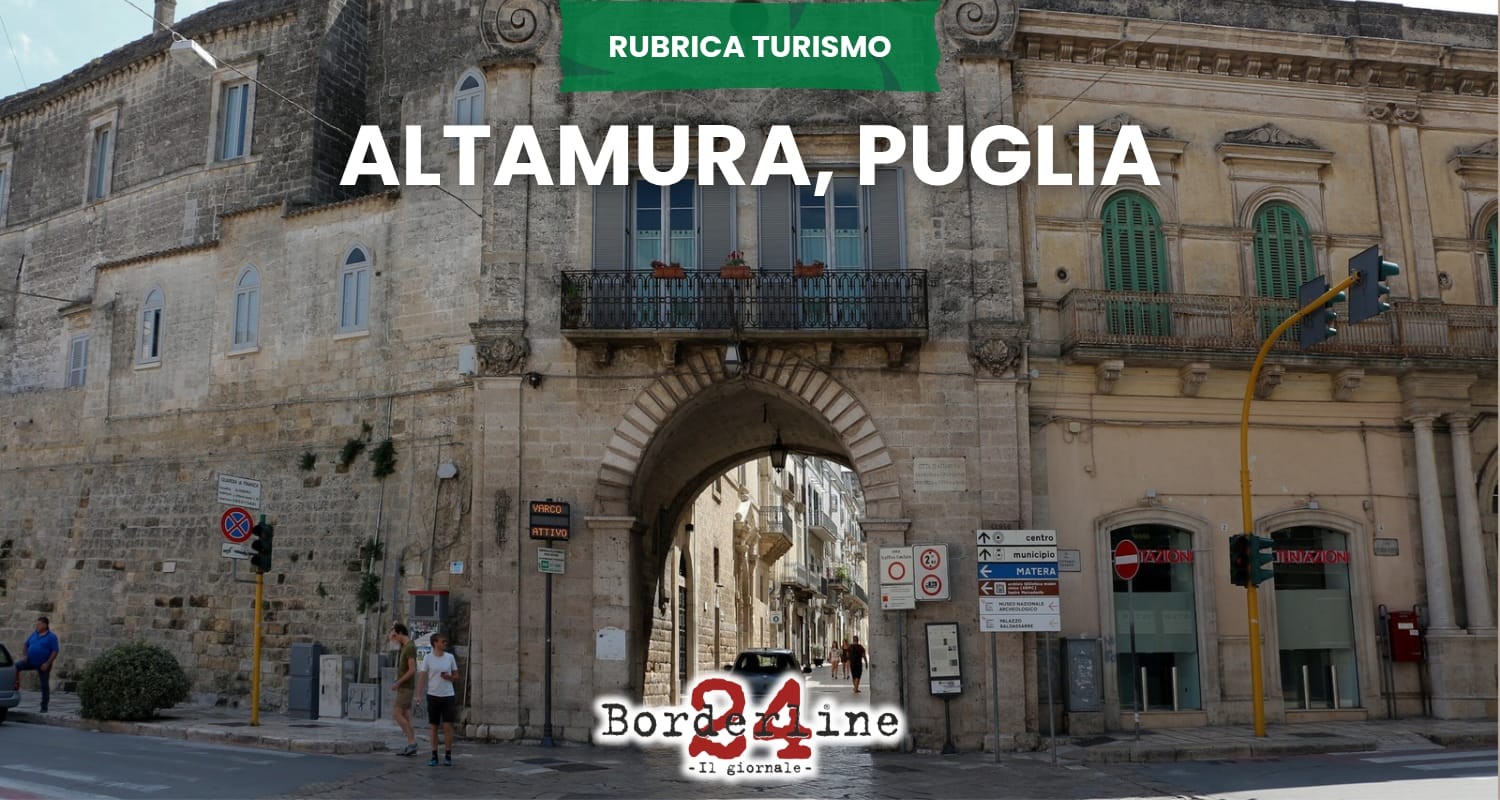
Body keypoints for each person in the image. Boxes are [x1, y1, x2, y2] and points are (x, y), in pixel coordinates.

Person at [418, 633, 460, 766]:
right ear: (435, 643)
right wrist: (418, 694)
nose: (445, 643)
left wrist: (449, 677)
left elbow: (456, 676)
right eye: (443, 641)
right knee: (433, 726)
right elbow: (422, 677)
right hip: (433, 695)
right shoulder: (428, 658)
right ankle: (434, 755)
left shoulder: (450, 657)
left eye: (446, 642)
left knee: (448, 726)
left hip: (448, 695)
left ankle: (448, 754)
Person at [15, 616, 59, 712]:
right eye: (36, 624)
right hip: (30, 661)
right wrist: (25, 655)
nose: (37, 626)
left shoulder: (52, 637)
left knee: (44, 685)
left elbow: (55, 651)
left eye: (39, 624)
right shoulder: (34, 634)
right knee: (15, 666)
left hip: (43, 664)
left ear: (45, 625)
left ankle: (44, 707)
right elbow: (25, 645)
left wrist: (47, 663)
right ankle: (14, 684)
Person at [389, 623, 419, 756]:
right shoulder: (405, 647)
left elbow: (412, 670)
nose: (393, 637)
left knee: (396, 714)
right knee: (405, 716)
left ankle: (412, 743)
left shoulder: (410, 647)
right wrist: (392, 638)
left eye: (395, 635)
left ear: (400, 633)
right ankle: (411, 743)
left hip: (406, 688)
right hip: (404, 687)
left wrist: (398, 682)